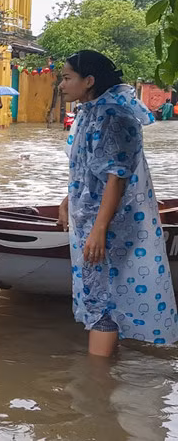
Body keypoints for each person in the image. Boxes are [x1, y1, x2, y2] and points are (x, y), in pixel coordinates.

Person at [57, 50, 178, 357]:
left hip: (111, 224)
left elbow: (117, 177)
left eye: (67, 78)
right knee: (100, 293)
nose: (61, 85)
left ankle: (97, 378)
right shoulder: (91, 112)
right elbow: (88, 170)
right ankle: (108, 370)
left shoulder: (114, 117)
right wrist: (67, 200)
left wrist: (99, 229)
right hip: (95, 220)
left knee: (103, 299)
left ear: (89, 81)